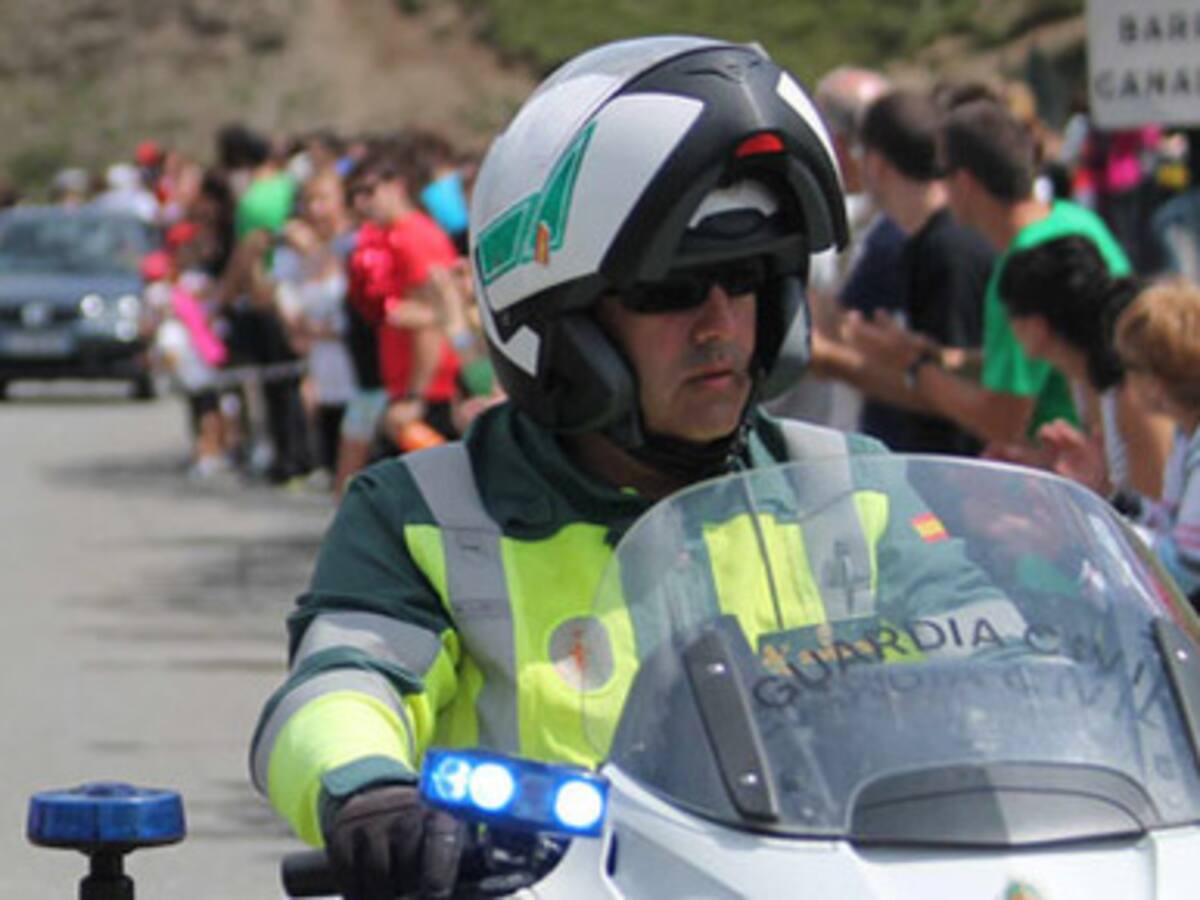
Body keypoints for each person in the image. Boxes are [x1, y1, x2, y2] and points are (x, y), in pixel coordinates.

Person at [249, 37, 1007, 899]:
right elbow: (340, 687)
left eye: (746, 279)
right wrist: (368, 791)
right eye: (669, 290)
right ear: (559, 319)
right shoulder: (427, 511)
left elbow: (986, 655)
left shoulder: (849, 487)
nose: (722, 323)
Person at [848, 97, 1130, 449]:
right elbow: (1030, 368)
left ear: (964, 183)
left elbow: (1003, 421)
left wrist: (912, 366)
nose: (939, 188)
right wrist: (940, 357)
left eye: (942, 173)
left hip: (1083, 469)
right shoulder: (1072, 221)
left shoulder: (1024, 266)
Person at [811, 88, 994, 455]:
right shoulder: (925, 239)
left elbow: (958, 394)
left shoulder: (947, 250)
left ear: (876, 163)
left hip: (961, 480)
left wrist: (830, 358)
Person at [989, 235, 1172, 500]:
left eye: (1011, 316)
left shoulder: (1132, 396)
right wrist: (1039, 465)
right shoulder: (1082, 380)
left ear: (1037, 326)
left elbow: (1160, 509)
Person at [1109, 280, 1200, 600]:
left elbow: (1186, 568)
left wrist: (1094, 548)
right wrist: (1114, 501)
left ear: (1157, 380)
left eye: (1130, 367)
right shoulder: (1187, 434)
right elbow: (1172, 524)